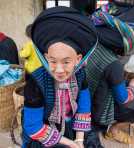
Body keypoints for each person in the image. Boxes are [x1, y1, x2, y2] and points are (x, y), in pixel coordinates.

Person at [20, 6, 97, 148]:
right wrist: (71, 144)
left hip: (69, 126)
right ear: (46, 57)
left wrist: (79, 140)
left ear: (78, 59)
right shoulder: (36, 82)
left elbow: (83, 108)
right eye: (53, 61)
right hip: (42, 133)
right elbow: (33, 127)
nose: (59, 70)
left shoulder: (80, 74)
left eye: (66, 62)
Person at [85, 0, 134, 145]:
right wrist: (133, 86)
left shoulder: (91, 46)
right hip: (98, 113)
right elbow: (122, 98)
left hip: (87, 100)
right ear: (125, 42)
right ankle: (111, 129)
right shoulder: (114, 64)